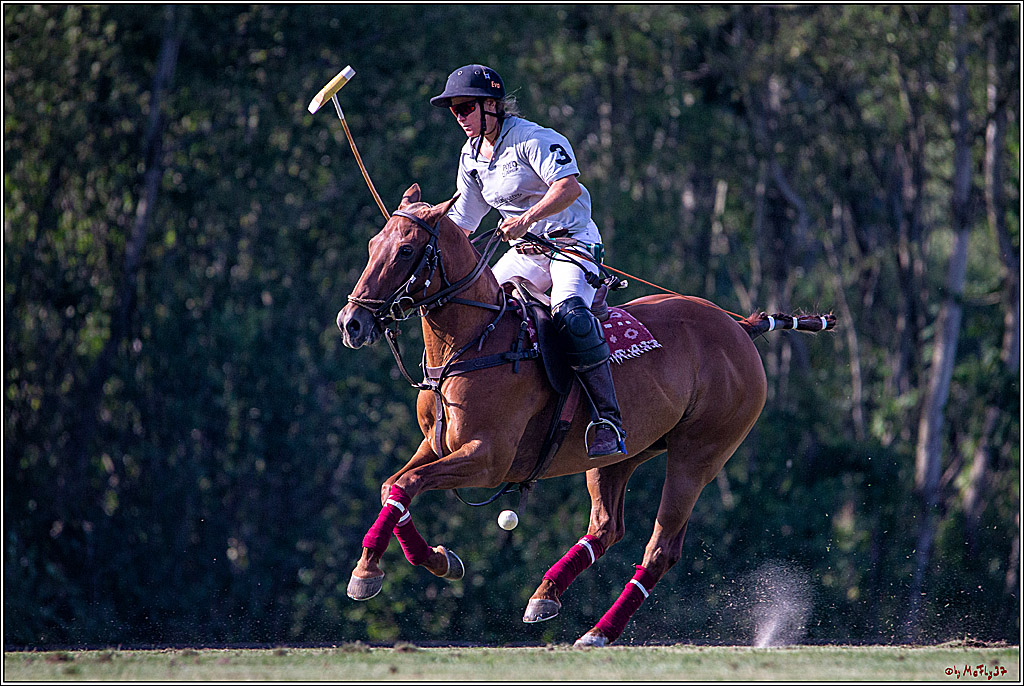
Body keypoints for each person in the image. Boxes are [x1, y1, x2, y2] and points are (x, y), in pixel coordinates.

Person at [430, 64, 626, 457]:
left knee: (569, 314)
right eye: (454, 110)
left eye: (466, 107)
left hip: (570, 245)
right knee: (481, 307)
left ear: (491, 106)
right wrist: (418, 229)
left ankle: (608, 419)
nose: (460, 118)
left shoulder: (532, 139)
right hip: (524, 254)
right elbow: (463, 222)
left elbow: (568, 187)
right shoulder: (470, 157)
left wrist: (527, 219)